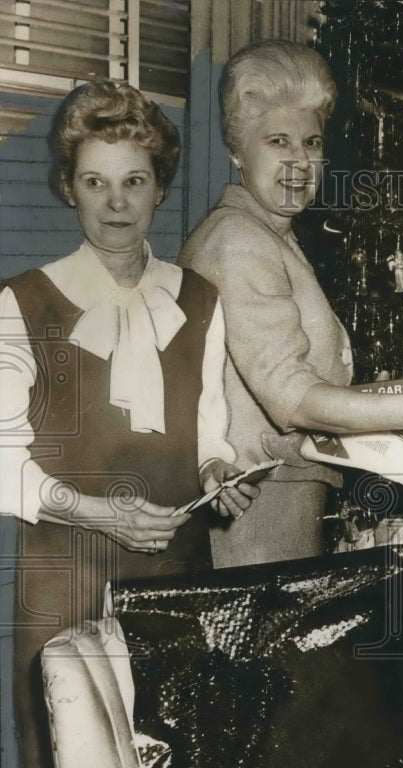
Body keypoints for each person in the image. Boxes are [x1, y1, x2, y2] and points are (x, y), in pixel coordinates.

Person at [0, 80, 257, 768]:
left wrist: (217, 472)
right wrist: (92, 513)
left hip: (177, 576)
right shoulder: (21, 303)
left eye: (134, 181)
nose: (116, 203)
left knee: (180, 745)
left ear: (159, 187)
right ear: (69, 188)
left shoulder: (199, 300)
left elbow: (208, 429)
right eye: (95, 182)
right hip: (66, 578)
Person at [179, 40, 403, 567]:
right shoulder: (237, 242)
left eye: (311, 142)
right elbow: (297, 399)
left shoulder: (269, 234)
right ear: (238, 149)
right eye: (278, 141)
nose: (299, 161)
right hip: (255, 507)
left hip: (282, 496)